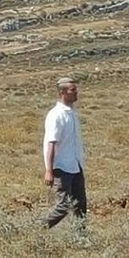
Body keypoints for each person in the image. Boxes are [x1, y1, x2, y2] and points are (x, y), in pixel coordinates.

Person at [41, 77, 87, 233]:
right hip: (62, 167)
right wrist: (49, 170)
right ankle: (38, 228)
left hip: (76, 165)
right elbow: (51, 143)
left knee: (80, 204)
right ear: (63, 93)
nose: (76, 93)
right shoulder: (56, 115)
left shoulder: (72, 114)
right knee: (64, 206)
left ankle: (80, 237)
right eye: (72, 90)